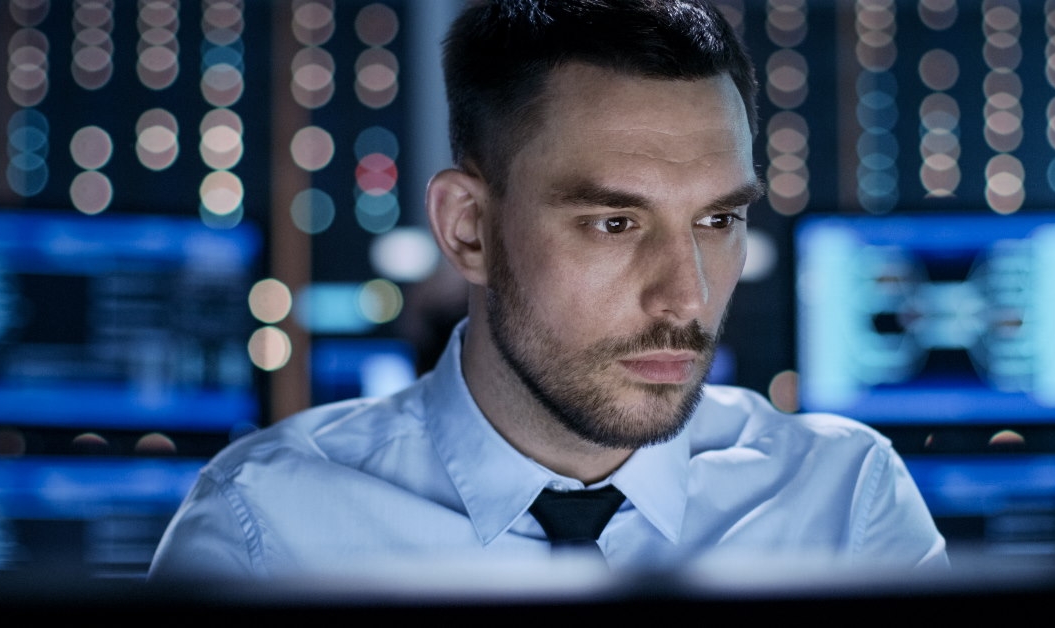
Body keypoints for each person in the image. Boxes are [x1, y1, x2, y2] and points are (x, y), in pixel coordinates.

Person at [148, 0, 947, 582]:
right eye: (614, 224)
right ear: (469, 230)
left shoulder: (843, 503)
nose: (686, 298)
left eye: (715, 220)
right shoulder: (267, 530)